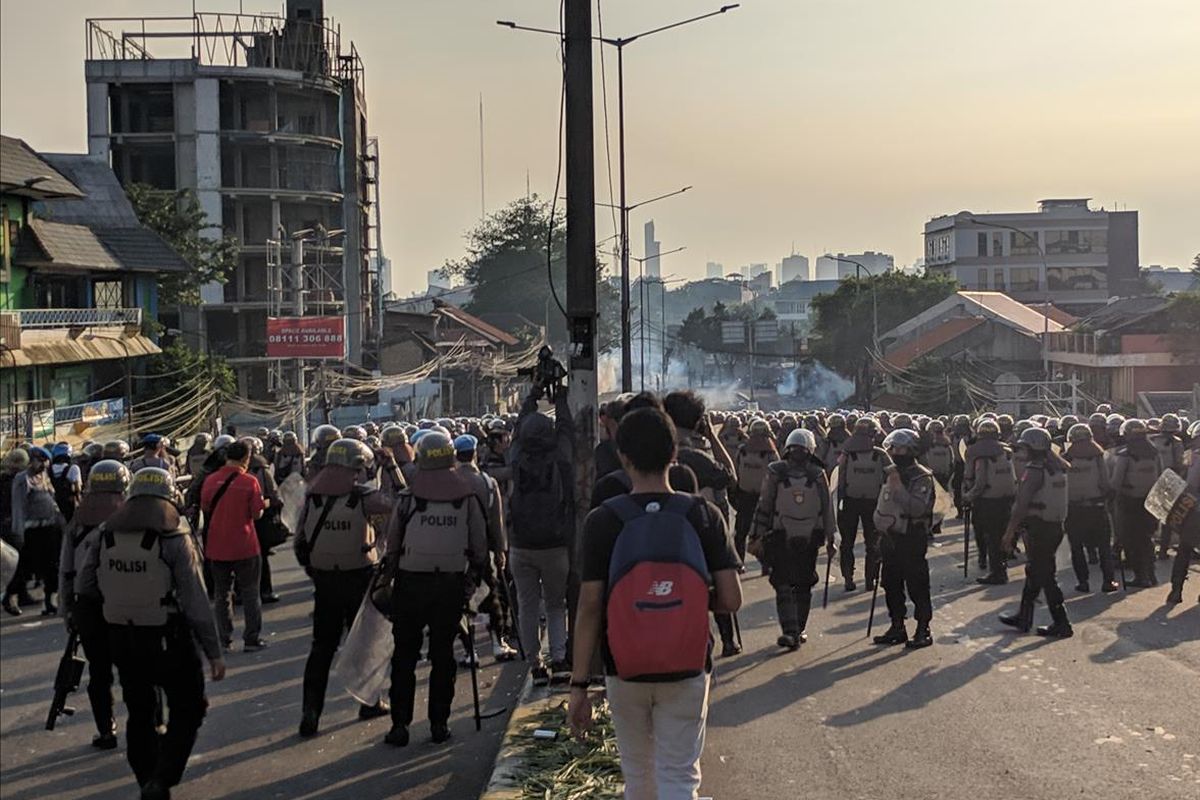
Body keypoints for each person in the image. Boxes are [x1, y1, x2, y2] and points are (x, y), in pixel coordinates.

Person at [569, 406, 741, 799]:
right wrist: (684, 599)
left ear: (623, 456)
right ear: (674, 454)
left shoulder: (603, 521)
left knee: (639, 777)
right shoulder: (703, 514)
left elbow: (590, 608)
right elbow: (731, 599)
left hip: (623, 666)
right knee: (679, 776)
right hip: (688, 663)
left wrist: (579, 686)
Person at [75, 467, 226, 800]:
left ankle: (147, 779)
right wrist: (214, 652)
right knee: (189, 707)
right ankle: (163, 776)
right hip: (169, 636)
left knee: (139, 711)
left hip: (123, 637)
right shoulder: (174, 537)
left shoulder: (104, 534)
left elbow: (84, 585)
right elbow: (196, 600)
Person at [380, 431, 488, 746]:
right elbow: (479, 547)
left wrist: (387, 580)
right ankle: (439, 724)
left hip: (411, 584)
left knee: (404, 657)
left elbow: (393, 546)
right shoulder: (466, 495)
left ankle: (400, 725)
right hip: (450, 585)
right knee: (443, 656)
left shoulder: (409, 497)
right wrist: (472, 583)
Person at [293, 438, 394, 737]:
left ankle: (310, 711)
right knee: (365, 644)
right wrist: (391, 467)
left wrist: (315, 571)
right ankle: (369, 701)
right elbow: (399, 503)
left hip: (325, 581)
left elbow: (300, 541)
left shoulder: (312, 497)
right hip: (360, 577)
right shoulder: (365, 497)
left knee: (321, 648)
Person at [58, 459, 130, 750]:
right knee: (134, 668)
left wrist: (67, 610)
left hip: (87, 606)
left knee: (99, 672)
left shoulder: (78, 520)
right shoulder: (131, 515)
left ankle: (106, 729)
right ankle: (146, 722)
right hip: (128, 606)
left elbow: (66, 570)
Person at [506, 384, 575, 684]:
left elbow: (519, 428)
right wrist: (560, 400)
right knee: (557, 604)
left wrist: (530, 399)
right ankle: (559, 659)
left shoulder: (515, 457)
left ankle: (534, 663)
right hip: (555, 543)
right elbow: (567, 430)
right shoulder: (560, 458)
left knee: (527, 604)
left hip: (521, 543)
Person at [750, 428, 836, 650]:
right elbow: (827, 509)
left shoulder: (776, 471)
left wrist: (755, 534)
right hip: (810, 538)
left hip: (781, 536)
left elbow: (764, 505)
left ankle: (790, 631)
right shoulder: (818, 473)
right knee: (804, 583)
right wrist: (830, 538)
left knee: (783, 583)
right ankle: (798, 630)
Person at [998, 428, 1074, 637]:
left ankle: (1062, 622)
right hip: (1054, 526)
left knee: (1046, 575)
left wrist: (1009, 533)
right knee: (1035, 571)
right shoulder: (1057, 467)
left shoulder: (1034, 470)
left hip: (1040, 528)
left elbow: (1021, 505)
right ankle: (1024, 616)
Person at [453, 434, 518, 662]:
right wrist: (501, 550)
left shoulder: (450, 483)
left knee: (461, 604)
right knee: (492, 597)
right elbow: (496, 521)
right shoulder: (488, 483)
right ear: (474, 454)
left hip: (457, 555)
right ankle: (498, 644)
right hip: (484, 552)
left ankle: (471, 652)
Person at [200, 441, 268, 651]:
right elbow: (256, 514)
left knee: (222, 594)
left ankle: (224, 638)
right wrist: (264, 504)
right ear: (246, 459)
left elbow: (205, 506)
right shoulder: (250, 482)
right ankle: (251, 639)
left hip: (217, 545)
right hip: (245, 545)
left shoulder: (210, 480)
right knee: (250, 593)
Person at [871, 429, 936, 649]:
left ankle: (923, 628)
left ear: (911, 450)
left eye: (899, 449)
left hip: (912, 536)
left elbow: (916, 508)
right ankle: (897, 625)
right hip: (890, 537)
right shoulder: (891, 474)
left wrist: (898, 485)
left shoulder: (921, 476)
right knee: (890, 582)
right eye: (892, 448)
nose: (894, 452)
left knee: (917, 583)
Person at [1062, 424, 1119, 593]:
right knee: (1104, 546)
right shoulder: (1097, 456)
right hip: (1096, 507)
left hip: (1073, 509)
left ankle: (1083, 582)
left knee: (1076, 547)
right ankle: (1108, 582)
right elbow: (1104, 482)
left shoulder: (1066, 458)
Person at [836, 417, 890, 592]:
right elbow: (891, 477)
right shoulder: (881, 454)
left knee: (847, 542)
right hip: (873, 503)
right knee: (873, 543)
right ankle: (870, 578)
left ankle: (848, 578)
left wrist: (840, 500)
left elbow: (840, 479)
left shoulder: (846, 454)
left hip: (850, 501)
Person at [8, 446, 63, 615]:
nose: (43, 466)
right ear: (33, 461)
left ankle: (49, 602)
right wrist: (18, 532)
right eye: (41, 461)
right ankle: (9, 597)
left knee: (50, 568)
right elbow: (18, 506)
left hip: (48, 528)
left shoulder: (44, 476)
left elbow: (51, 499)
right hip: (31, 530)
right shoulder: (22, 479)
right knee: (24, 568)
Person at [963, 418, 1017, 584]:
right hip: (1007, 499)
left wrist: (967, 496)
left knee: (991, 537)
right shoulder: (1006, 451)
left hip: (987, 500)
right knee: (1000, 535)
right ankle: (1000, 567)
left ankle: (997, 572)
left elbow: (980, 483)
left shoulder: (979, 454)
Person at [1110, 419, 1162, 588]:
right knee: (1147, 538)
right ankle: (1151, 573)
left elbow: (1117, 482)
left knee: (1131, 540)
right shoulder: (1154, 453)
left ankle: (1141, 576)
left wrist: (1110, 495)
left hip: (1129, 502)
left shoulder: (1125, 455)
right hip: (1151, 501)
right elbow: (1162, 475)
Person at [731, 419, 779, 565]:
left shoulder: (742, 450)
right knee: (765, 532)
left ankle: (739, 563)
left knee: (741, 533)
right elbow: (777, 474)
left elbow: (735, 471)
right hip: (764, 497)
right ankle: (766, 563)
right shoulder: (771, 452)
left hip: (745, 496)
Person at [1166, 421, 1200, 604]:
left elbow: (1189, 481)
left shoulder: (1193, 455)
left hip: (1194, 508)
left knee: (1185, 549)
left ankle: (1176, 590)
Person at [49, 443, 83, 524]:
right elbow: (78, 487)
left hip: (52, 504)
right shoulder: (73, 468)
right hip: (69, 505)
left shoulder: (49, 469)